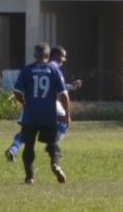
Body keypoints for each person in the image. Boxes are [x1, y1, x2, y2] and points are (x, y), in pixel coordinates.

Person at [6, 45, 81, 161]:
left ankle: (13, 149)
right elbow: (58, 89)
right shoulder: (53, 67)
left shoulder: (34, 67)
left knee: (25, 133)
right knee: (64, 123)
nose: (64, 60)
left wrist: (71, 86)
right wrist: (70, 89)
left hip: (30, 105)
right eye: (63, 57)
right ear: (56, 56)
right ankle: (53, 146)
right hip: (49, 105)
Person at [12, 43, 71, 185]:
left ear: (34, 55)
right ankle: (55, 164)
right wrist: (67, 114)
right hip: (48, 114)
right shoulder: (54, 70)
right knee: (52, 143)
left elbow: (17, 92)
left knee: (29, 146)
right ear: (48, 55)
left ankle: (29, 177)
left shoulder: (27, 70)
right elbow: (63, 94)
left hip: (31, 114)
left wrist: (25, 103)